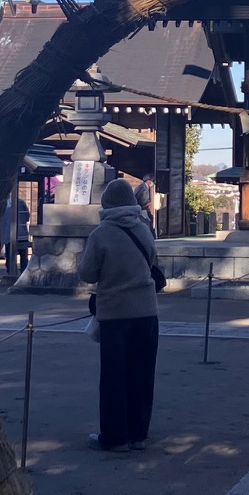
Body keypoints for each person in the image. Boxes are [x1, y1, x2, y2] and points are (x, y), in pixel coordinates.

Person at [77, 176, 163, 453]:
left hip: (115, 312)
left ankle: (115, 437)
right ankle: (139, 434)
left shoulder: (101, 234)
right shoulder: (144, 229)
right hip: (147, 311)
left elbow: (87, 273)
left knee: (114, 376)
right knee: (142, 374)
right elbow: (152, 261)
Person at [3, 192, 32, 278]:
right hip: (22, 233)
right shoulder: (21, 202)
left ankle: (10, 271)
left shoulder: (4, 204)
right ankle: (24, 271)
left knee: (9, 255)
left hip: (9, 235)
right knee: (24, 255)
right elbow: (27, 217)